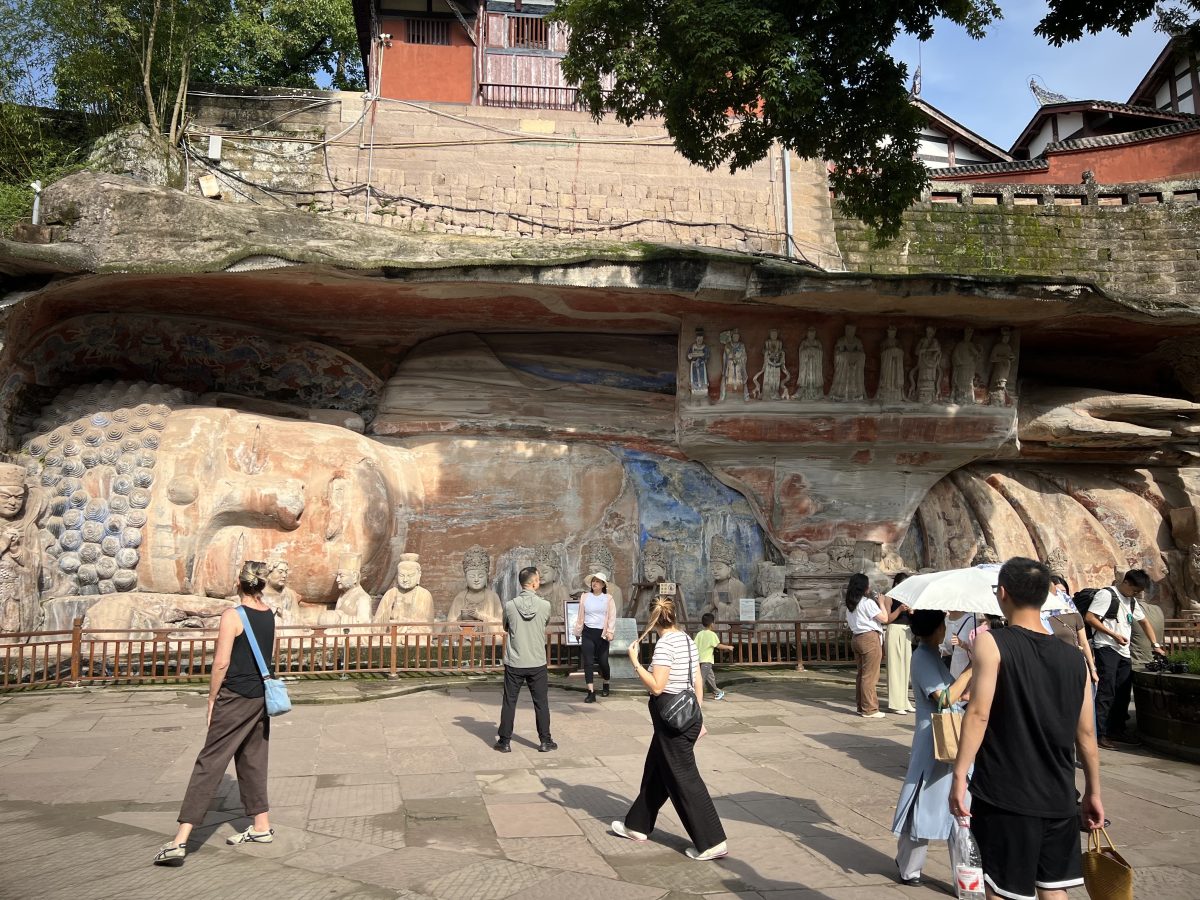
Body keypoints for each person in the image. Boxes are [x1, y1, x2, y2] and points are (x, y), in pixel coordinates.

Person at [950, 557, 1104, 900]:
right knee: (1054, 888)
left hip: (1006, 793)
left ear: (1001, 593)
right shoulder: (1075, 658)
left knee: (1002, 890)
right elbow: (1087, 735)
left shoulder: (993, 643)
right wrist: (1093, 791)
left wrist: (960, 774)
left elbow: (977, 714)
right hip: (1061, 795)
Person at [154, 561, 277, 866]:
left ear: (240, 583)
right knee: (252, 759)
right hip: (260, 697)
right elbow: (269, 655)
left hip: (234, 697)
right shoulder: (269, 614)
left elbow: (221, 663)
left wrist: (211, 699)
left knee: (209, 762)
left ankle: (180, 841)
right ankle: (261, 827)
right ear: (261, 584)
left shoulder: (232, 615)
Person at [613, 596, 727, 860]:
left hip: (671, 719)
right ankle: (637, 826)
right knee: (656, 769)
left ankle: (712, 841)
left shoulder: (665, 645)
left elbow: (657, 686)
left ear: (653, 619)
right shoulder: (686, 639)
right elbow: (697, 678)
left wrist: (635, 662)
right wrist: (697, 716)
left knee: (683, 777)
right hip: (685, 714)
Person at [891, 609, 973, 886]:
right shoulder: (923, 657)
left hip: (953, 734)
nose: (946, 630)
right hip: (934, 738)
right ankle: (909, 867)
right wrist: (971, 670)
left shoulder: (935, 657)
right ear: (936, 629)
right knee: (923, 803)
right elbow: (944, 698)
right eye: (943, 625)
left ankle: (965, 875)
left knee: (960, 807)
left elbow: (956, 694)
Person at [1085, 569, 1166, 748]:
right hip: (1106, 647)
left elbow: (1144, 621)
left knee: (1122, 692)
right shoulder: (1106, 595)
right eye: (1135, 590)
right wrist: (1113, 635)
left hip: (1123, 651)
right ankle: (1099, 734)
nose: (1137, 594)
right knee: (1106, 692)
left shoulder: (1131, 601)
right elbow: (1090, 618)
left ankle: (1117, 730)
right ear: (1126, 582)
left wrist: (1156, 645)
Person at [495, 566, 556, 753]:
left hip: (515, 661)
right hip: (537, 661)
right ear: (534, 582)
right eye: (538, 578)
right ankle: (545, 741)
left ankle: (504, 741)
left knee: (509, 702)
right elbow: (544, 623)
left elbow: (506, 627)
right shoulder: (545, 605)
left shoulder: (510, 605)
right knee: (541, 703)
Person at [1043, 576, 1098, 688]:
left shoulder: (1074, 614)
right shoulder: (1039, 616)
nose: (1059, 595)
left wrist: (1092, 669)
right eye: (1055, 591)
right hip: (1051, 667)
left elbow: (1083, 642)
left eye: (1063, 592)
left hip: (1074, 664)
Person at [845, 573, 887, 718]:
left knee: (861, 675)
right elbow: (885, 618)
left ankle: (861, 706)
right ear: (864, 587)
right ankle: (870, 708)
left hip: (856, 638)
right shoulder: (867, 603)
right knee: (870, 676)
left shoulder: (850, 605)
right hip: (869, 638)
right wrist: (881, 602)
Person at [573, 572, 617, 703]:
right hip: (588, 632)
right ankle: (590, 692)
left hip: (602, 634)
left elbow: (612, 617)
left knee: (603, 663)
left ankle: (606, 682)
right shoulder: (585, 597)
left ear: (603, 584)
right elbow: (581, 616)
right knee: (588, 662)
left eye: (598, 581)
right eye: (593, 581)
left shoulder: (608, 598)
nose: (595, 583)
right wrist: (577, 631)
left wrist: (610, 631)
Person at [882, 572, 915, 714]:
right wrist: (899, 609)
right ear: (896, 584)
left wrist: (912, 611)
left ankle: (904, 699)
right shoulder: (889, 597)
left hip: (907, 631)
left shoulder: (908, 597)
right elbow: (887, 618)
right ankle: (896, 703)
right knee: (895, 666)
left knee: (906, 667)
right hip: (894, 629)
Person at [695, 612, 734, 700]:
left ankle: (700, 695)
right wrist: (728, 647)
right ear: (712, 624)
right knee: (704, 679)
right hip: (706, 661)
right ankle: (715, 692)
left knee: (705, 679)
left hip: (700, 661)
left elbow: (694, 645)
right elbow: (718, 645)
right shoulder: (712, 635)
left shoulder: (699, 634)